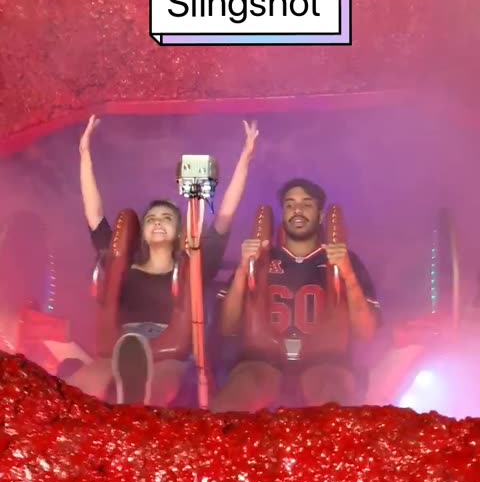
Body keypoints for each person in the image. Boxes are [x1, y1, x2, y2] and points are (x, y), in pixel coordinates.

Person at [79, 115, 258, 406]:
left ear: (178, 232)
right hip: (124, 343)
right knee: (84, 385)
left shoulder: (193, 265)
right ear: (143, 232)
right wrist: (84, 154)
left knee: (161, 384)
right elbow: (94, 215)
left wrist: (245, 158)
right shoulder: (123, 264)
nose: (158, 222)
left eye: (166, 218)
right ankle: (121, 394)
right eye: (152, 219)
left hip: (170, 350)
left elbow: (224, 217)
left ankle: (136, 399)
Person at [212, 178, 379, 412]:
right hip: (262, 360)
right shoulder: (261, 258)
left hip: (325, 361)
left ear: (320, 215)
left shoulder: (346, 260)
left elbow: (366, 331)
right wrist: (243, 267)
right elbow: (227, 326)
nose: (297, 210)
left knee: (331, 398)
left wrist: (348, 275)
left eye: (306, 204)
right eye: (290, 204)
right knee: (232, 402)